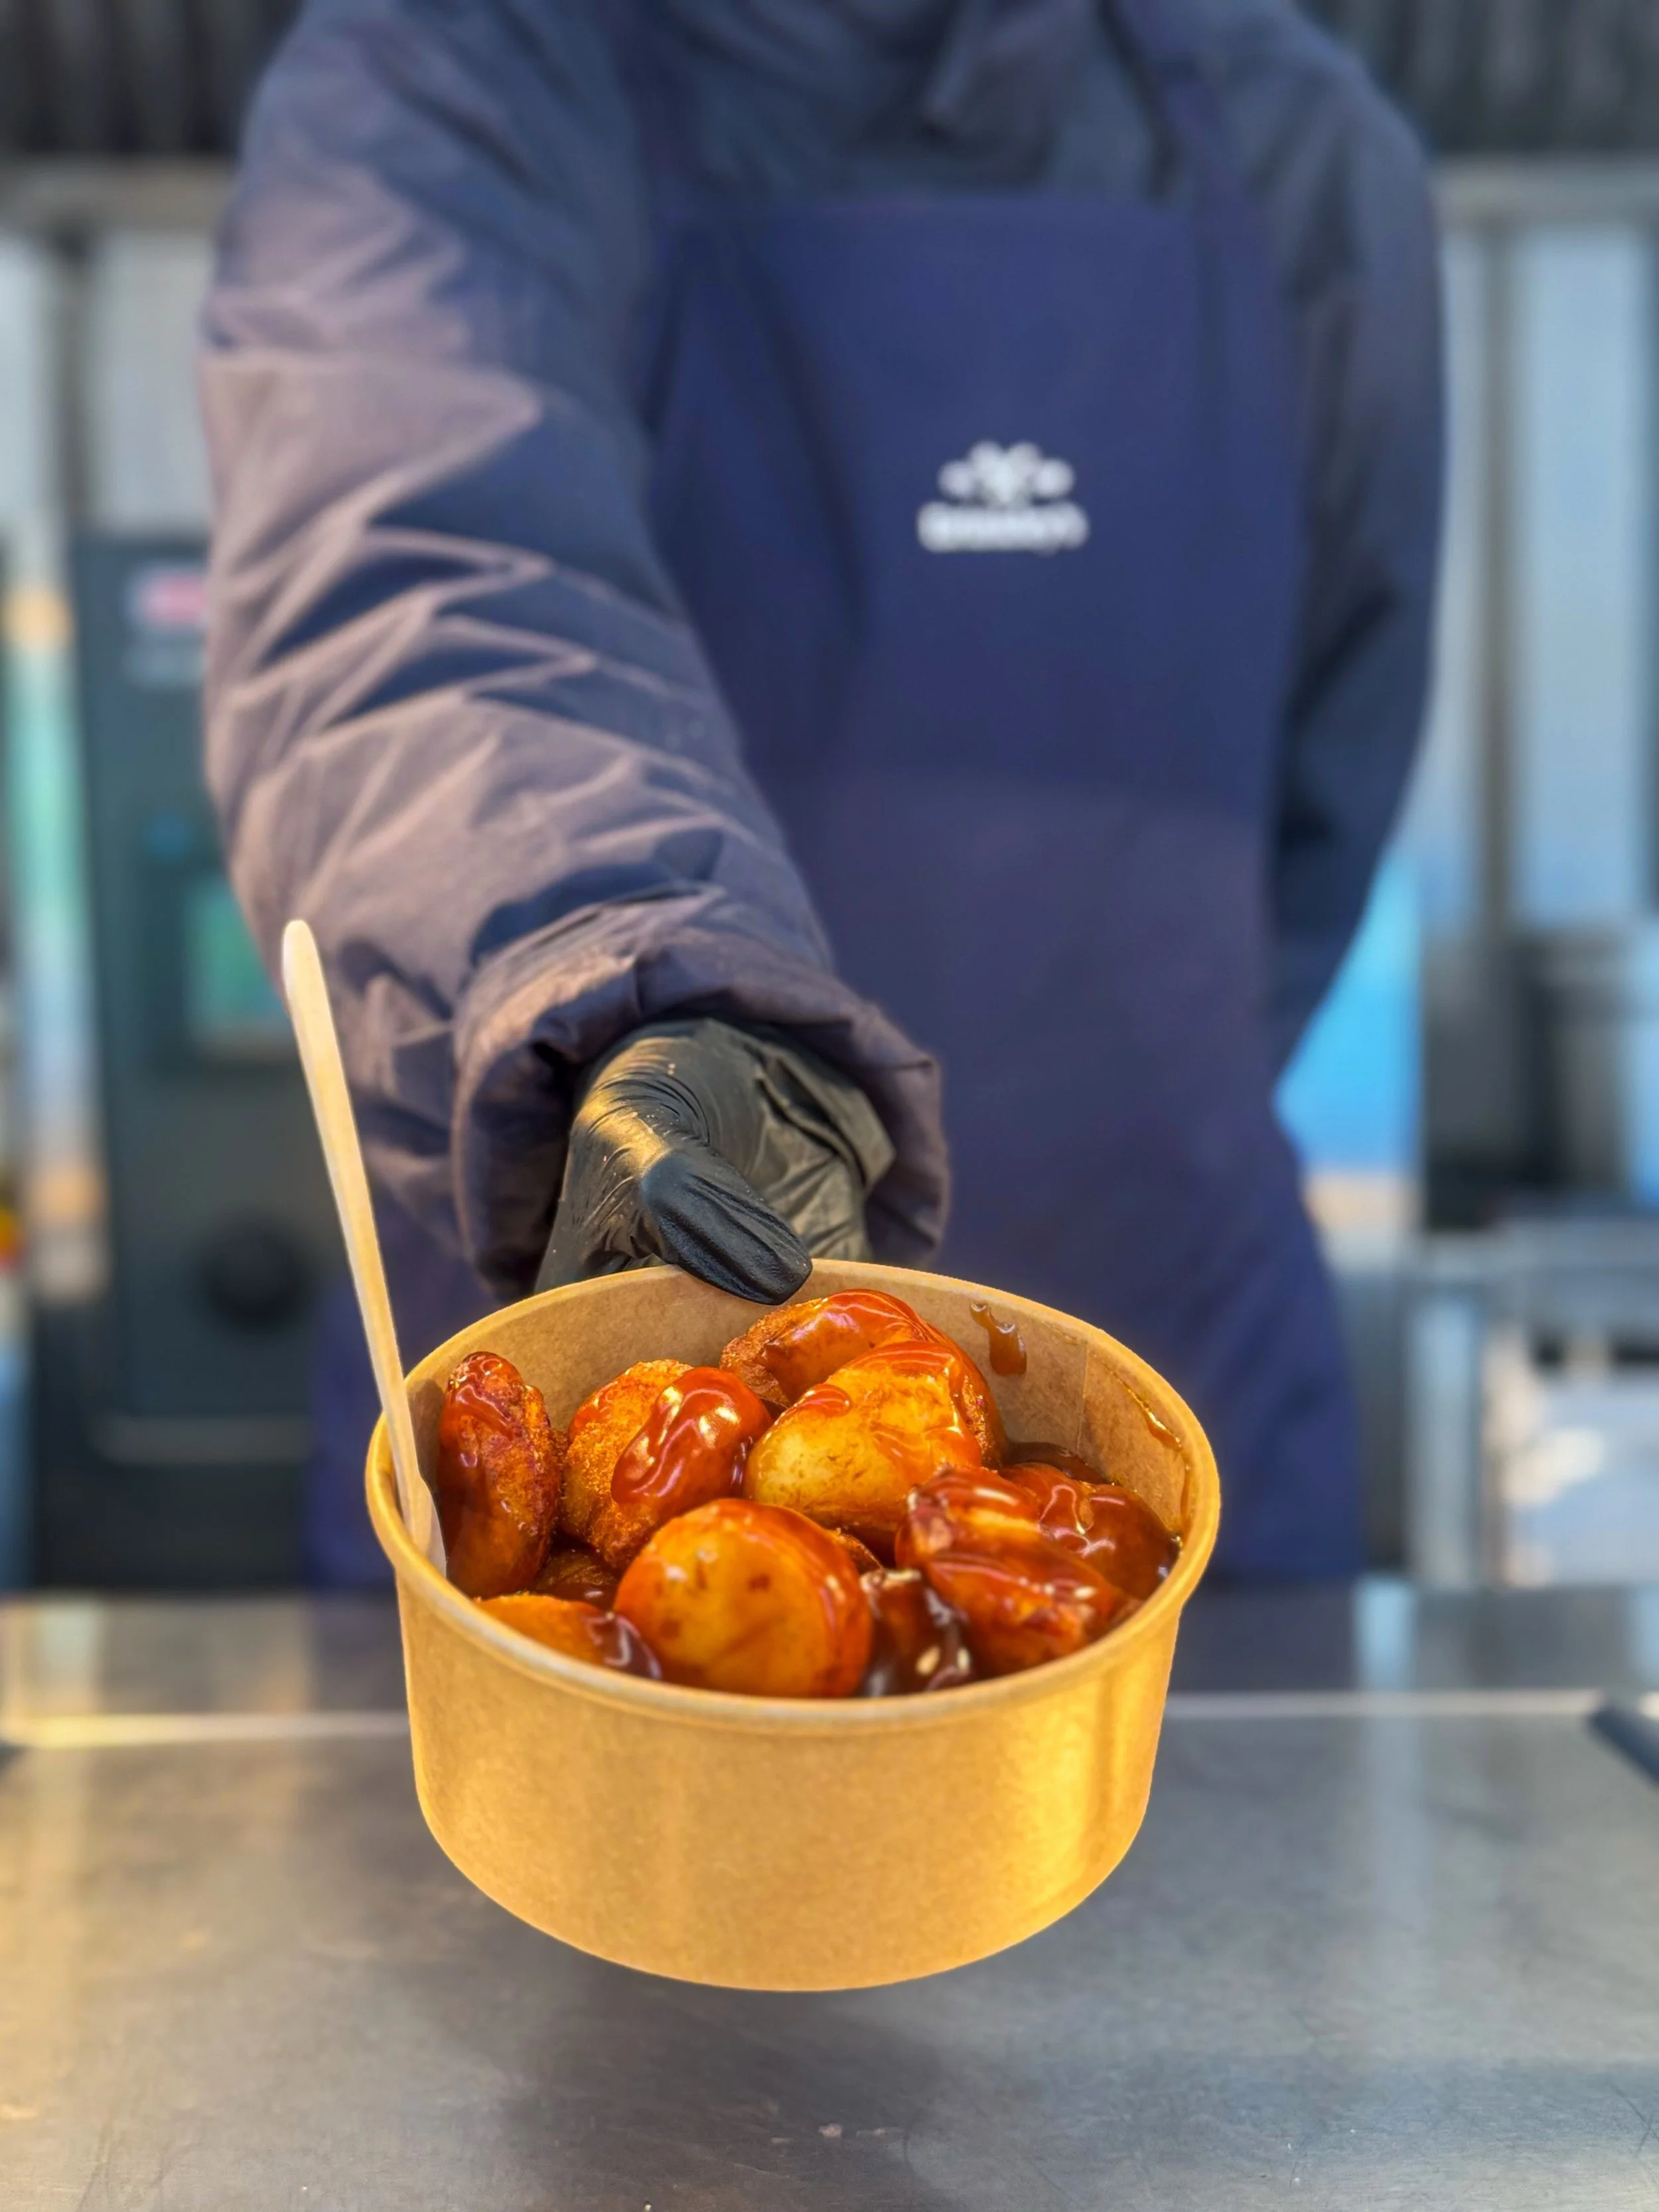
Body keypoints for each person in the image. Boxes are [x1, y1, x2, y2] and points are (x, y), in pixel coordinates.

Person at [202, 0, 1443, 1584]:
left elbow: (1328, 762)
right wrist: (634, 990)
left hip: (1173, 1403)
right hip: (600, 1471)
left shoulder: (1297, 147)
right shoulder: (442, 81)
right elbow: (414, 587)